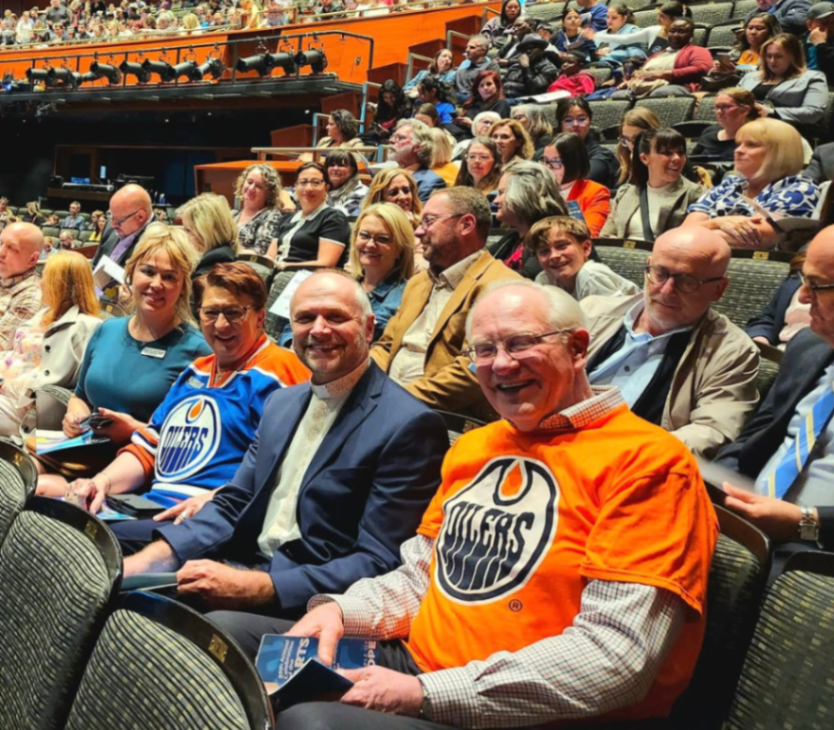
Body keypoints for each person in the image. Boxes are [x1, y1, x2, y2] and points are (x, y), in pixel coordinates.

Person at [276, 281, 718, 730]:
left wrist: (426, 694)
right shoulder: (475, 446)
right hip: (419, 662)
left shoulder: (650, 463)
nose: (501, 364)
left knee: (310, 723)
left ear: (578, 347)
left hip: (525, 711)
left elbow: (615, 657)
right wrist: (339, 612)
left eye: (520, 343)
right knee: (242, 642)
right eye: (484, 350)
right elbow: (419, 578)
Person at [120, 272, 448, 644]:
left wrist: (260, 586)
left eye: (336, 317)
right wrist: (155, 559)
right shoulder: (282, 403)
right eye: (306, 319)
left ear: (369, 328)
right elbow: (233, 503)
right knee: (108, 563)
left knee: (158, 627)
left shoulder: (410, 424)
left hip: (305, 595)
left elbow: (377, 561)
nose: (319, 330)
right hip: (239, 558)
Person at [68, 263, 309, 544]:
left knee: (82, 544)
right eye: (210, 313)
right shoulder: (196, 370)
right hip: (150, 508)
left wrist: (218, 500)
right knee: (57, 519)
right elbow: (150, 446)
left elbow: (287, 473)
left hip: (212, 519)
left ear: (259, 317)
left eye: (233, 312)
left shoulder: (283, 373)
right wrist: (101, 483)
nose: (220, 324)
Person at [36, 224, 211, 494]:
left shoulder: (197, 351)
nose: (156, 284)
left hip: (139, 469)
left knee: (39, 488)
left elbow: (196, 443)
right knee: (18, 474)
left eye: (169, 277)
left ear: (183, 286)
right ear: (131, 274)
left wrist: (134, 430)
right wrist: (76, 413)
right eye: (148, 271)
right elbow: (80, 394)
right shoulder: (107, 329)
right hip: (80, 455)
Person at [584, 227, 759, 456]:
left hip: (632, 466)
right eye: (660, 273)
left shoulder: (734, 352)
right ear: (648, 267)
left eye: (687, 281)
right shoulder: (590, 312)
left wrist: (630, 453)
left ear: (719, 289)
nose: (667, 291)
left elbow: (712, 430)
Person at [715, 225, 834, 562]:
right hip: (750, 524)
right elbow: (750, 440)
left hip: (816, 557)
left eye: (816, 286)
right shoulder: (807, 347)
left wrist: (806, 523)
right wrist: (720, 490)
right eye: (803, 281)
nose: (803, 297)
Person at [371, 188, 517, 419]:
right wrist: (361, 385)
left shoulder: (503, 287)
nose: (418, 232)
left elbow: (476, 370)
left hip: (445, 418)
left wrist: (393, 400)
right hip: (385, 405)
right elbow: (386, 346)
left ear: (466, 225)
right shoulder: (418, 283)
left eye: (429, 221)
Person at [0, 252, 101, 439]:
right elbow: (13, 354)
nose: (40, 283)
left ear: (63, 285)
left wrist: (5, 383)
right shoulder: (45, 313)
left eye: (47, 277)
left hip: (25, 407)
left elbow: (58, 382)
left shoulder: (85, 326)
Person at [685, 119, 819, 248]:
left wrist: (699, 230)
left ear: (779, 152)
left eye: (751, 144)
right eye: (739, 144)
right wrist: (717, 222)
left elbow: (756, 237)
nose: (738, 150)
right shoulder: (728, 185)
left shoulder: (799, 189)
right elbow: (684, 229)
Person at [601, 129, 704, 240]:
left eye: (680, 152)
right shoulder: (625, 193)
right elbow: (605, 237)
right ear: (645, 158)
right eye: (667, 153)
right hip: (620, 255)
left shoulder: (696, 194)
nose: (677, 158)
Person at [527, 215, 639, 300]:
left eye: (562, 246)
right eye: (544, 251)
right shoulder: (545, 280)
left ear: (586, 248)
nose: (554, 256)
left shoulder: (591, 276)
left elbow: (607, 327)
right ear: (537, 259)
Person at [266, 163, 351, 271]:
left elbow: (327, 264)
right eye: (303, 182)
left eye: (316, 182)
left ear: (326, 188)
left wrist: (284, 266)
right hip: (275, 274)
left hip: (307, 278)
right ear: (295, 186)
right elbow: (269, 257)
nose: (309, 188)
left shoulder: (333, 217)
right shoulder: (286, 218)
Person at [492, 160, 568, 277]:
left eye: (501, 193)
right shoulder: (512, 238)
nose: (495, 201)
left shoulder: (553, 234)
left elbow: (526, 278)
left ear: (524, 194)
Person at [348, 205, 413, 341]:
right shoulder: (341, 284)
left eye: (382, 239)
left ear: (400, 249)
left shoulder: (407, 296)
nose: (371, 244)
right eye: (364, 235)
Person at [737, 32, 827, 127]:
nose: (772, 61)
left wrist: (771, 112)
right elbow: (732, 100)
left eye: (778, 56)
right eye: (769, 56)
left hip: (785, 131)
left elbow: (814, 112)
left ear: (793, 57)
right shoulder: (750, 77)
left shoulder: (812, 78)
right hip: (744, 127)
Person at [542, 133, 611, 237]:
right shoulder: (538, 190)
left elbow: (589, 234)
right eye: (546, 161)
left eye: (555, 162)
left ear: (572, 163)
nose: (548, 168)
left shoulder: (596, 192)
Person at [624, 18, 713, 98]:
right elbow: (643, 72)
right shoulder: (657, 54)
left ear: (690, 35)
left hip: (677, 85)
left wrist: (663, 74)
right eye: (672, 31)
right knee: (618, 95)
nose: (675, 35)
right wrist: (632, 79)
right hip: (646, 84)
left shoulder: (697, 50)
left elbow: (702, 69)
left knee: (660, 94)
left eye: (681, 31)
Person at [92, 183, 153, 292]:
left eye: (118, 220)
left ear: (140, 216)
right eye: (111, 216)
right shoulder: (110, 226)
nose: (113, 225)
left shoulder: (159, 239)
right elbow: (95, 265)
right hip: (96, 296)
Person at [555, 98, 618, 189]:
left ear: (589, 122)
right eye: (568, 120)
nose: (575, 124)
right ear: (560, 125)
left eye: (581, 119)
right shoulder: (548, 152)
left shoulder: (602, 155)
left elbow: (581, 181)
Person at [0, 222, 44, 352]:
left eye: (12, 248)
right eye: (0, 243)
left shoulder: (31, 296)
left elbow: (2, 347)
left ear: (32, 259)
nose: (1, 252)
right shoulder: (5, 275)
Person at [692, 88, 761, 162]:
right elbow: (691, 162)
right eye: (717, 107)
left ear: (744, 110)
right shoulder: (709, 132)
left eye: (726, 107)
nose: (719, 112)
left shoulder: (756, 138)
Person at [178, 193, 238, 277]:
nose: (184, 235)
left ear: (205, 233)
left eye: (188, 230)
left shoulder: (215, 260)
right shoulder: (221, 252)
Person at [232, 164, 285, 257]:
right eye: (249, 182)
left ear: (269, 193)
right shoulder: (233, 214)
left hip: (246, 267)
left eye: (259, 186)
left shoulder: (271, 216)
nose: (251, 188)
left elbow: (260, 253)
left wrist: (227, 253)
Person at [500, 34, 560, 99]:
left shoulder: (549, 68)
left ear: (541, 49)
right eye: (525, 49)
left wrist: (526, 68)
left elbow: (535, 90)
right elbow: (503, 83)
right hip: (504, 97)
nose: (528, 51)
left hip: (526, 101)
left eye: (532, 48)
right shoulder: (516, 66)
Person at [615, 106, 661, 186]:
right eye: (626, 139)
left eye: (637, 138)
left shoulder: (671, 159)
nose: (631, 146)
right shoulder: (621, 161)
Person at [324, 150, 370, 218]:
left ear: (353, 169)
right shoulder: (321, 189)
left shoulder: (362, 192)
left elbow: (338, 217)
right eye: (331, 165)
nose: (335, 168)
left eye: (341, 165)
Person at [453, 35, 491, 105]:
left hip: (480, 104)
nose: (467, 50)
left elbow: (490, 91)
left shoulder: (490, 66)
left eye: (472, 47)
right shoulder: (460, 73)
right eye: (467, 47)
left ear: (483, 51)